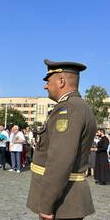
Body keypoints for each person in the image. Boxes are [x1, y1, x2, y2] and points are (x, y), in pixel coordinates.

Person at [27, 59, 97, 220]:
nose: (45, 86)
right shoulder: (81, 107)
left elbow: (60, 160)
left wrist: (46, 205)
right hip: (68, 199)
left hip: (62, 203)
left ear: (61, 81)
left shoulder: (68, 109)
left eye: (48, 80)